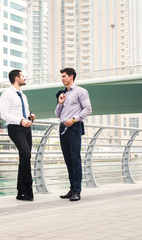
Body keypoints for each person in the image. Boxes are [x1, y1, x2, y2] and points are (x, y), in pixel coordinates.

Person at [55, 67, 92, 201]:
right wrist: (60, 103)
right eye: (61, 76)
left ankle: (77, 190)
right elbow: (58, 114)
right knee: (68, 160)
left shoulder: (81, 91)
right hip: (62, 128)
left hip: (74, 127)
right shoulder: (62, 94)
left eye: (64, 76)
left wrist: (74, 119)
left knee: (75, 159)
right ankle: (72, 189)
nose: (62, 78)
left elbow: (88, 109)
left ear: (71, 77)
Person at [0, 69, 36, 201]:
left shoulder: (23, 96)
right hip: (15, 128)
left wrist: (30, 117)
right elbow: (4, 114)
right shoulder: (7, 94)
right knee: (25, 155)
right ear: (16, 78)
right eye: (23, 76)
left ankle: (21, 192)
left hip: (26, 128)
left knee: (25, 158)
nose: (24, 78)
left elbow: (23, 113)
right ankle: (27, 190)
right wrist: (20, 121)